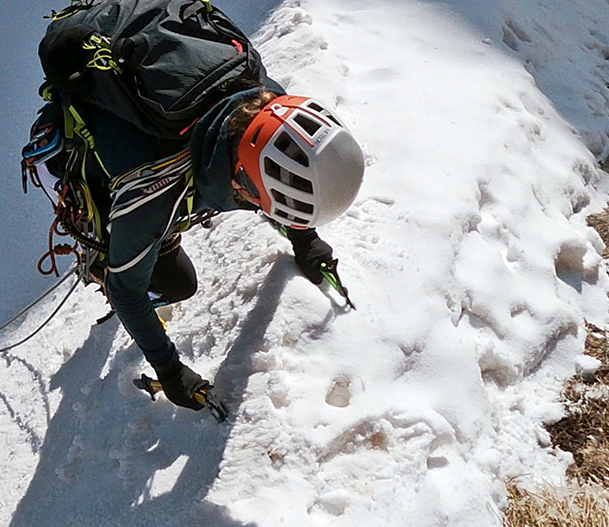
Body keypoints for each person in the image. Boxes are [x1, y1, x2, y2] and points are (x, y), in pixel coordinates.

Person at [27, 82, 362, 414]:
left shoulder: (267, 102)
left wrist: (305, 239)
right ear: (240, 179)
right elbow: (127, 292)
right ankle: (101, 260)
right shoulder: (153, 194)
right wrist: (169, 369)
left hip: (144, 131)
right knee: (175, 284)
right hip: (73, 158)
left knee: (167, 249)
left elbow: (279, 168)